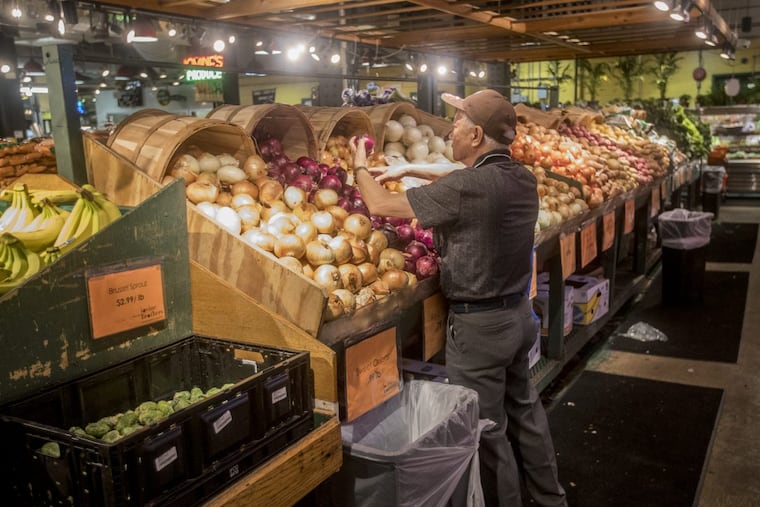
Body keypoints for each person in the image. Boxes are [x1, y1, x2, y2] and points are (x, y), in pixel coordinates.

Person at [350, 89, 567, 507]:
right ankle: (550, 499)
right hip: (519, 317)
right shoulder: (520, 177)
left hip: (480, 329)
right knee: (526, 413)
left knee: (487, 431)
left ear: (477, 135)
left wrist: (360, 167)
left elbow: (378, 201)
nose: (452, 128)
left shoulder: (468, 188)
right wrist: (414, 166)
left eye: (460, 122)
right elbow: (462, 178)